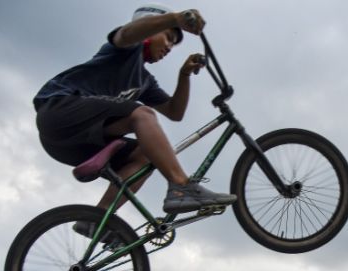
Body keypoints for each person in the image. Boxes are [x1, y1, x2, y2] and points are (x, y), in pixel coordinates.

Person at [33, 3, 237, 225]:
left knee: (146, 156)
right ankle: (181, 186)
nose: (169, 46)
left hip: (72, 145)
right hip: (59, 112)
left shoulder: (144, 81)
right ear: (148, 29)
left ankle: (97, 219)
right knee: (142, 114)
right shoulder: (124, 49)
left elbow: (174, 112)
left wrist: (184, 75)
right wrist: (175, 19)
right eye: (168, 37)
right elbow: (127, 34)